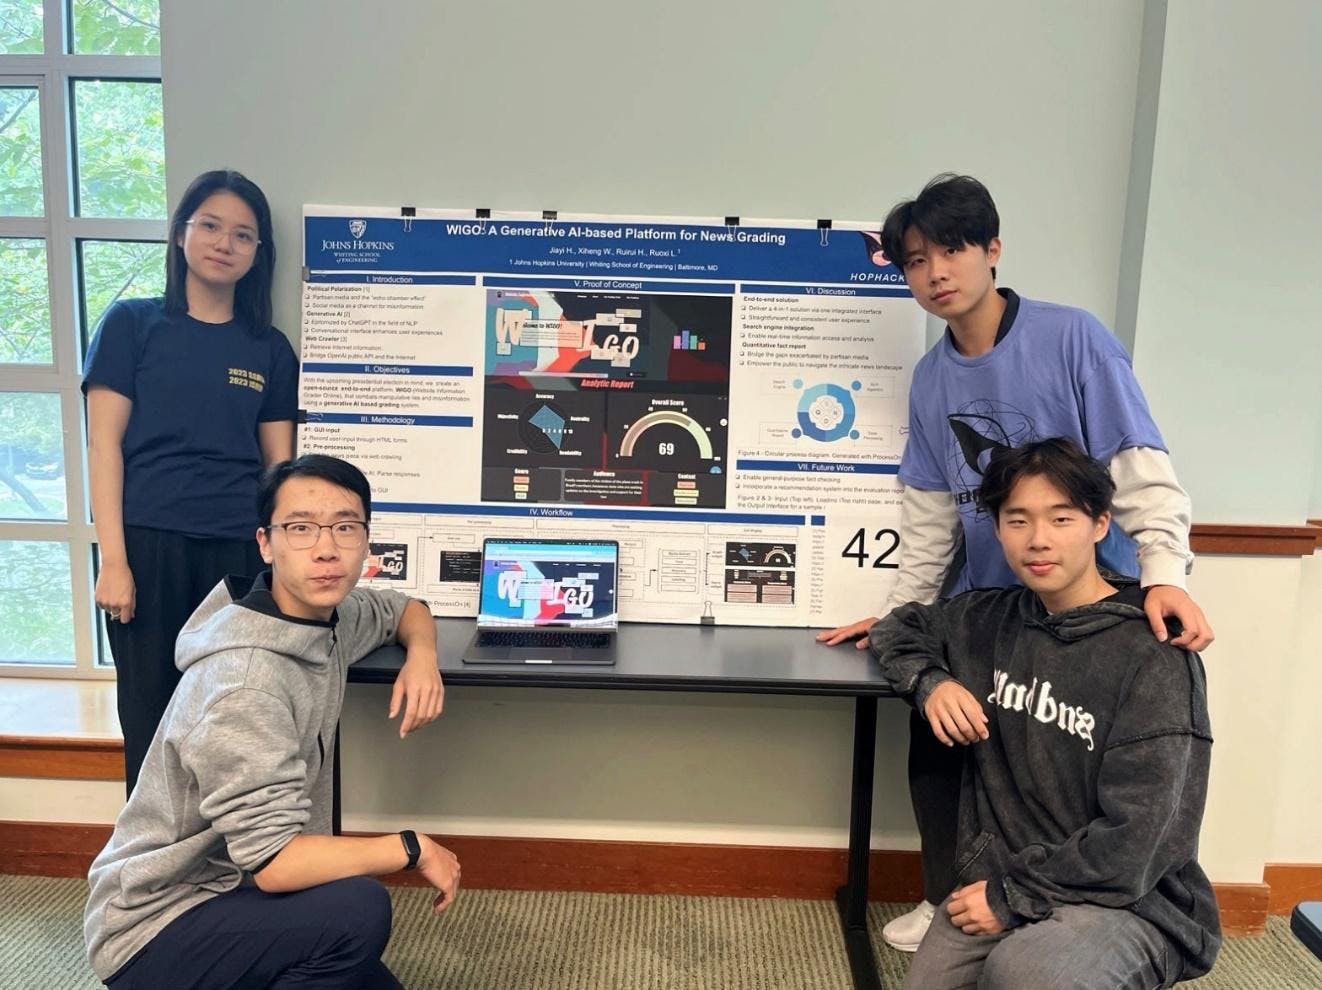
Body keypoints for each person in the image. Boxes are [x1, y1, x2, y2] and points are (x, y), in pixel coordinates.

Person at [816, 173, 1214, 949]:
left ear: (992, 250)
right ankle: (948, 899)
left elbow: (1137, 461)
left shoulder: (1074, 339)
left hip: (1087, 607)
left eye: (954, 249)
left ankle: (1084, 915)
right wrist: (904, 614)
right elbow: (931, 516)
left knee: (1068, 772)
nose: (936, 272)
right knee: (940, 737)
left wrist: (1166, 573)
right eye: (916, 260)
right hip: (987, 612)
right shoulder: (932, 379)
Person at [85, 454, 454, 990]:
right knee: (357, 910)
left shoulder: (323, 617)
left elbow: (404, 609)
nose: (326, 547)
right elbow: (277, 862)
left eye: (345, 528)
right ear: (266, 543)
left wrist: (422, 655)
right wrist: (411, 846)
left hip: (240, 891)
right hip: (155, 925)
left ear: (365, 542)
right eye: (300, 528)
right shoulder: (244, 682)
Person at [873, 438, 1220, 988]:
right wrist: (931, 683)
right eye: (1018, 520)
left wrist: (1012, 898)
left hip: (1127, 898)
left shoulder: (1152, 652)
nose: (1038, 540)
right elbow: (897, 628)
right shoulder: (986, 619)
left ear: (1100, 524)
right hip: (1006, 873)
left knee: (1026, 973)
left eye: (1061, 518)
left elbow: (1140, 838)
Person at [84, 169, 299, 795]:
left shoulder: (268, 349)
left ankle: (227, 875)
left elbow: (278, 475)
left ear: (259, 254)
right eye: (209, 225)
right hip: (149, 549)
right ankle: (144, 883)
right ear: (181, 234)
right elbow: (104, 447)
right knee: (150, 720)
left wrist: (279, 571)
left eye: (243, 234)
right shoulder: (132, 324)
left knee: (232, 718)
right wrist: (113, 561)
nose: (223, 243)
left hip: (236, 553)